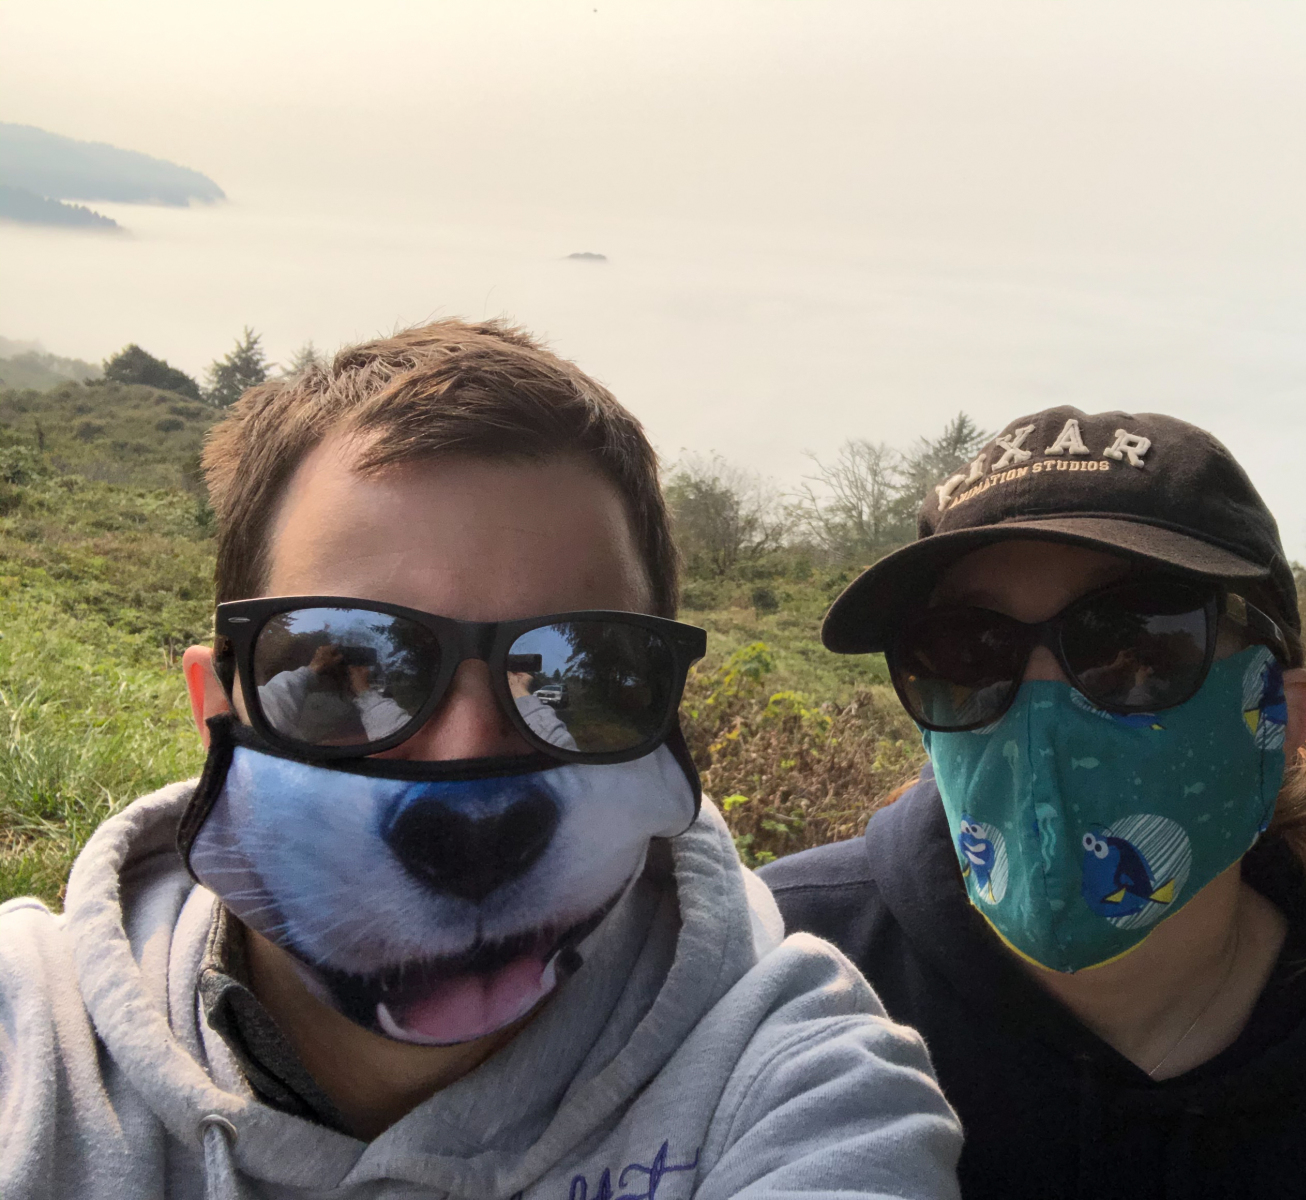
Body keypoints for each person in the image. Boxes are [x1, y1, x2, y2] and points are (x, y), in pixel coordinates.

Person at [0, 320, 961, 1199]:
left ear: (662, 710)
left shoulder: (799, 1083)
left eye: (578, 671)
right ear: (218, 707)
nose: (468, 765)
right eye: (345, 666)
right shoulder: (27, 1033)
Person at [761, 406, 1306, 1199]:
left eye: (1131, 641)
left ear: (1277, 718)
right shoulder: (777, 971)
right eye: (969, 648)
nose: (1040, 709)